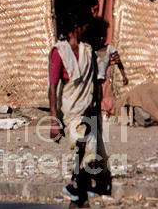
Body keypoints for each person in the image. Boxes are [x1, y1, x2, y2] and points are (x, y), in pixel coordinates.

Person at [49, 11, 107, 208]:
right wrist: (54, 119)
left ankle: (77, 197)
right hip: (71, 110)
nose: (86, 30)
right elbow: (52, 86)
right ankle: (76, 187)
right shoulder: (59, 52)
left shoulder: (87, 50)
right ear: (76, 28)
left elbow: (94, 81)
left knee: (90, 157)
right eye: (83, 27)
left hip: (88, 111)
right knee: (82, 147)